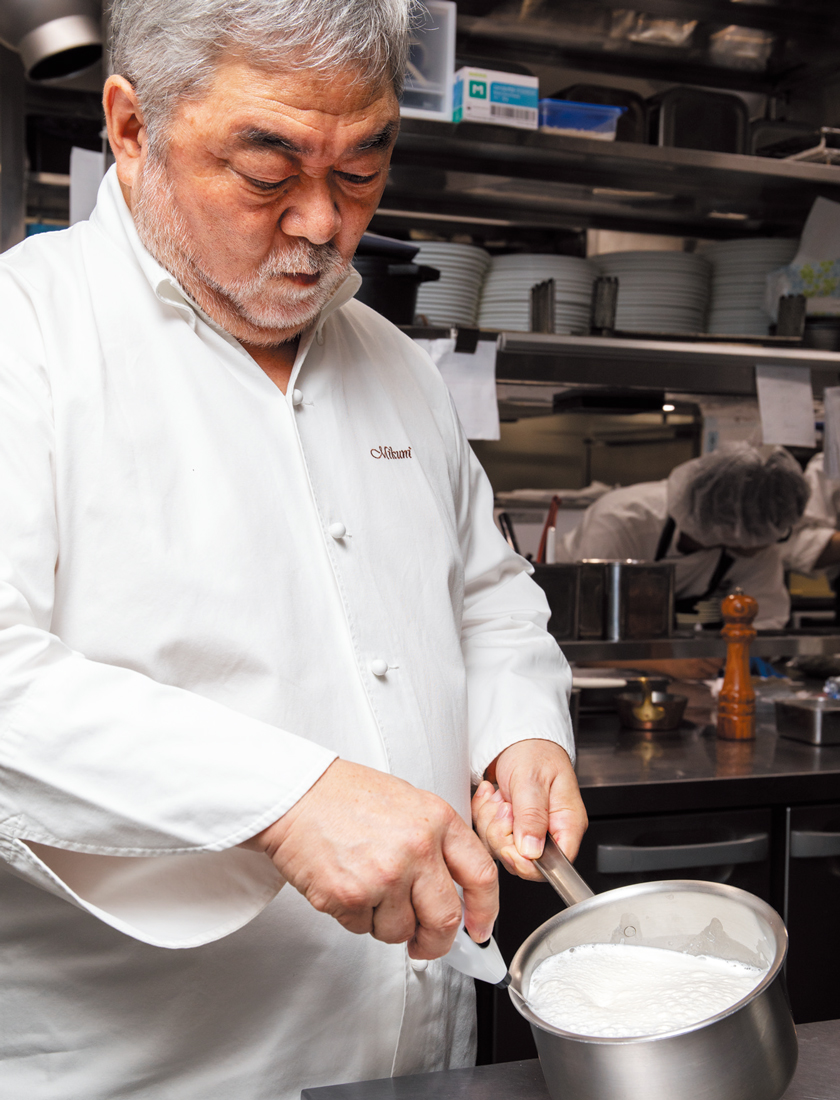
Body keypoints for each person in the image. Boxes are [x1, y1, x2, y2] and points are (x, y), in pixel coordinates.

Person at [0, 1, 587, 1097]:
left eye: (362, 170)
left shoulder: (397, 365)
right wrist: (285, 796)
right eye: (267, 171)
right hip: (151, 1069)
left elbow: (484, 592)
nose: (322, 222)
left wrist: (518, 729)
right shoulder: (23, 336)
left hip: (416, 1055)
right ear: (131, 128)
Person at [557, 445, 809, 631]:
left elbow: (765, 619)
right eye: (764, 530)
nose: (772, 539)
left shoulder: (756, 543)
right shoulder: (623, 520)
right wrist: (662, 662)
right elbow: (590, 624)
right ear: (730, 524)